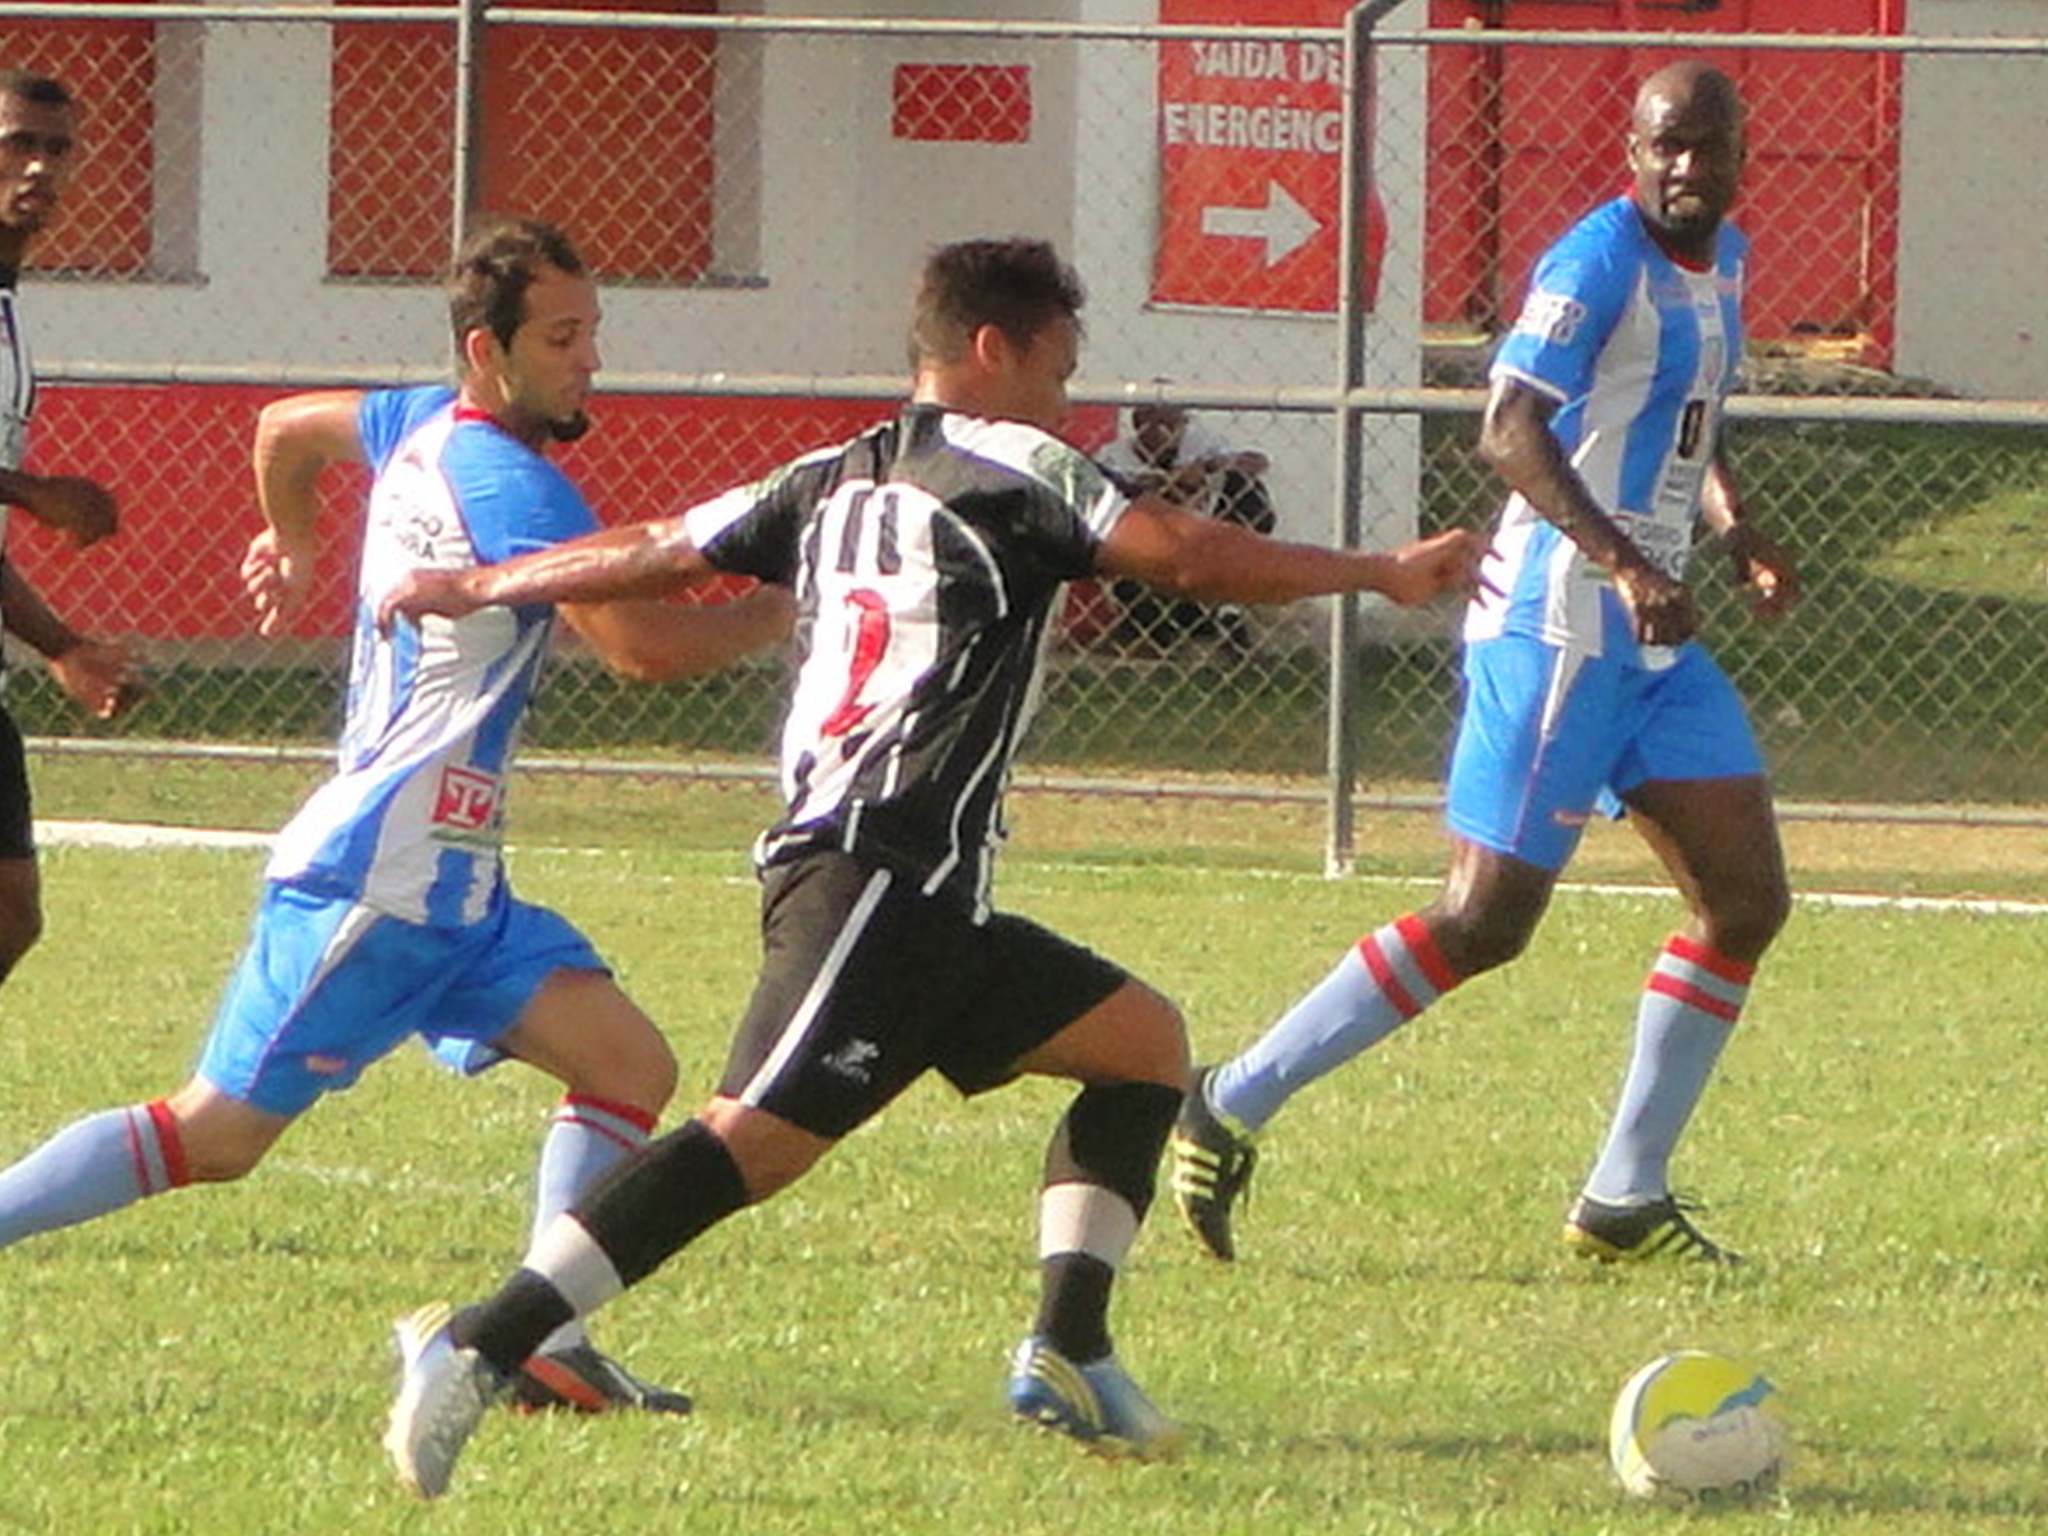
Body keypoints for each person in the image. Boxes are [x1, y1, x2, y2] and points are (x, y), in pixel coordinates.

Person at [371, 235, 1485, 1498]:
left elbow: (657, 547)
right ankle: (480, 1342)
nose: (1070, 398)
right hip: (872, 868)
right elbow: (1179, 552)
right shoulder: (1018, 463)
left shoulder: (827, 473)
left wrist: (476, 579)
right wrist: (1375, 573)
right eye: (1059, 365)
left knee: (1143, 1048)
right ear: (991, 350)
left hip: (927, 891)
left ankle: (1069, 1352)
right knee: (754, 1144)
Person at [0, 217, 794, 1414]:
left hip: (457, 888)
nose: (590, 362)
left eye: (594, 334)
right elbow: (641, 650)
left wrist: (295, 536)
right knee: (211, 1138)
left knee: (628, 1065)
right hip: (378, 880)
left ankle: (542, 1342)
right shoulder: (505, 479)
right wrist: (789, 607)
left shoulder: (415, 419)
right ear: (489, 349)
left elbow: (282, 430)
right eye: (563, 338)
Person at [1170, 61, 1799, 1268]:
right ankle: (1228, 1099)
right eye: (1663, 147)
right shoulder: (1594, 261)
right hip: (1556, 628)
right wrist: (1623, 562)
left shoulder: (1723, 259)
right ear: (1630, 151)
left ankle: (1622, 1195)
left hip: (1650, 645)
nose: (1684, 168)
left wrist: (1731, 526)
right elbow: (1506, 427)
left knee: (1744, 903)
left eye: (1705, 147)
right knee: (1482, 922)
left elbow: (1682, 420)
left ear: (1734, 155)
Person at [0, 67, 143, 991]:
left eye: (58, 149)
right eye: (18, 142)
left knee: (13, 914)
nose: (40, 167)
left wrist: (60, 647)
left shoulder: (11, 318)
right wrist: (34, 492)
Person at [1096, 401, 1275, 651]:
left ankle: (1224, 606)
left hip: (1202, 542)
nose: (1160, 432)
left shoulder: (1197, 445)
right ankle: (1166, 631)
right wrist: (1165, 484)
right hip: (1148, 550)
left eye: (1169, 424)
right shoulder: (1113, 455)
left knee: (1246, 489)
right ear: (1138, 424)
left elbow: (1257, 462)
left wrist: (1207, 467)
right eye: (1151, 422)